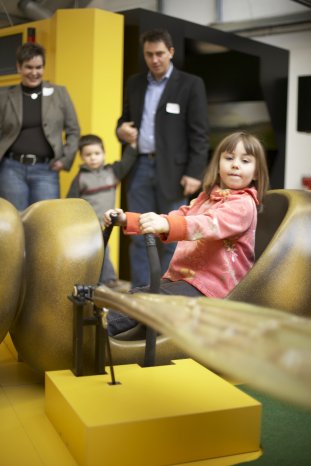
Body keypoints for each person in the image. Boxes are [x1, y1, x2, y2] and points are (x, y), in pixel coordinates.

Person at [104, 131, 270, 335]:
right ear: (218, 166)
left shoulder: (243, 205)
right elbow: (173, 216)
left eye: (245, 161)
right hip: (184, 280)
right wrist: (127, 220)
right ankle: (106, 332)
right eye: (229, 158)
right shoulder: (205, 198)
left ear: (256, 173)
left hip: (213, 289)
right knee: (137, 295)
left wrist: (166, 225)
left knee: (143, 302)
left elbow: (209, 224)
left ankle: (97, 329)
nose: (235, 164)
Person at [116, 28, 209, 288]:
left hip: (175, 171)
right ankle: (141, 297)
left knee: (170, 233)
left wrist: (195, 172)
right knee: (138, 234)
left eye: (159, 53)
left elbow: (200, 134)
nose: (154, 59)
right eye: (149, 54)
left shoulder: (191, 84)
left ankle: (165, 295)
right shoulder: (135, 83)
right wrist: (121, 130)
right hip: (140, 167)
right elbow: (124, 120)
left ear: (171, 52)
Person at [0, 42, 80, 211]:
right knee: (15, 221)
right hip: (11, 169)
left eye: (39, 67)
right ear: (19, 67)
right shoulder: (5, 96)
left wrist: (65, 159)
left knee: (46, 221)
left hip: (47, 170)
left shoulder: (60, 93)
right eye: (29, 67)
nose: (34, 73)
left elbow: (74, 130)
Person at [67, 134, 137, 286]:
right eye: (88, 155)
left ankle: (100, 280)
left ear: (104, 153)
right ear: (81, 157)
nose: (93, 158)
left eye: (97, 153)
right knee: (98, 250)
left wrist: (133, 146)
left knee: (101, 250)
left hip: (108, 222)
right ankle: (109, 280)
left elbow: (126, 163)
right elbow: (70, 202)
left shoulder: (112, 173)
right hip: (89, 224)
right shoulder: (80, 179)